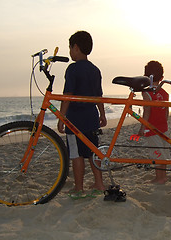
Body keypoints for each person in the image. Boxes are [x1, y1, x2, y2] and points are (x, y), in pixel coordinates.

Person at [57, 31, 107, 197]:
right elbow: (98, 96)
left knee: (76, 154)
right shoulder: (95, 70)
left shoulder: (72, 69)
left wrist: (62, 117)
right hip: (91, 116)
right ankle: (99, 183)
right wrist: (103, 114)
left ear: (76, 47)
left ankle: (79, 187)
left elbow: (68, 96)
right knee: (93, 151)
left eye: (70, 48)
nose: (70, 52)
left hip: (75, 118)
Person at [138, 61, 170, 184]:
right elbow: (166, 111)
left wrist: (142, 128)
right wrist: (164, 123)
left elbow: (147, 112)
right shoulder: (165, 93)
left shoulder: (147, 93)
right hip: (164, 127)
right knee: (164, 153)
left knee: (157, 154)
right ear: (162, 78)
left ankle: (159, 178)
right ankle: (164, 176)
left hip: (152, 129)